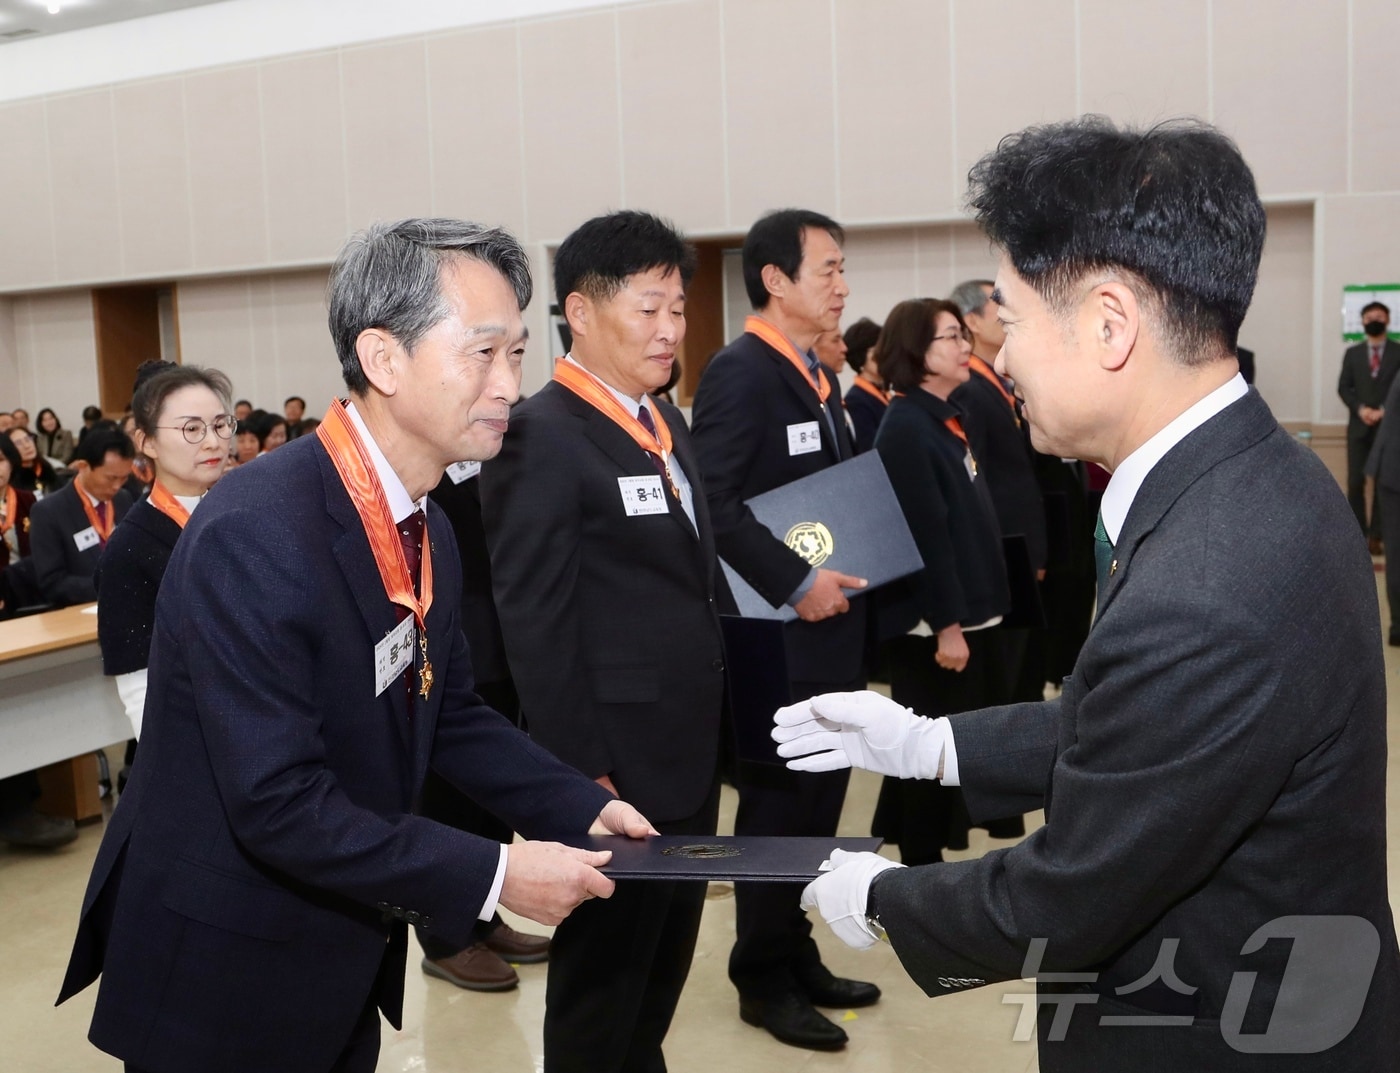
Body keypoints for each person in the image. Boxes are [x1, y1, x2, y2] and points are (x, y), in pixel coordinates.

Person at [776, 117, 1400, 1070]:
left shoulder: (1211, 577)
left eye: (1013, 319)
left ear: (1111, 323)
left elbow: (1067, 894)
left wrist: (880, 897)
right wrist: (930, 743)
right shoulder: (1251, 477)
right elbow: (1147, 731)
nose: (1003, 357)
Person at [57, 218, 656, 1073]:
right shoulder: (257, 529)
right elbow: (277, 800)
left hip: (341, 942)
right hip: (226, 968)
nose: (509, 384)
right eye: (483, 353)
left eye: (518, 354)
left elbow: (446, 710)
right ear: (383, 359)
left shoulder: (429, 524)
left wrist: (574, 804)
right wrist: (496, 874)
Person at [482, 210, 728, 1073]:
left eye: (679, 308)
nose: (671, 329)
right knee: (603, 984)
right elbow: (533, 618)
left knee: (657, 972)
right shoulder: (540, 435)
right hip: (612, 767)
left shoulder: (663, 422)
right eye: (648, 308)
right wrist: (577, 772)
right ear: (581, 312)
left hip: (684, 748)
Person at [690, 208, 877, 1052]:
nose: (842, 285)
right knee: (777, 809)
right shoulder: (741, 373)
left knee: (818, 807)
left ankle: (794, 951)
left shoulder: (813, 375)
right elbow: (714, 503)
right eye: (827, 268)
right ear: (774, 278)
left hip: (826, 630)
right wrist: (797, 581)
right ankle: (760, 977)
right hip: (778, 632)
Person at [868, 298, 1012, 866]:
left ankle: (926, 860)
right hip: (933, 629)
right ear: (916, 353)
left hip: (962, 614)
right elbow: (924, 537)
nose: (964, 346)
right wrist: (948, 625)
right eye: (950, 337)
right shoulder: (906, 427)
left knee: (942, 752)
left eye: (961, 334)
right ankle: (920, 871)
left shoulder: (940, 417)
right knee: (925, 756)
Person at [415, 455, 551, 993]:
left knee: (491, 793)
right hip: (447, 639)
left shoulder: (499, 455)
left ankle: (484, 916)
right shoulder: (427, 462)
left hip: (505, 638)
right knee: (445, 798)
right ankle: (444, 938)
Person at [95, 361, 234, 798]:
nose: (212, 442)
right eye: (192, 429)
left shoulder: (239, 512)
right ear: (146, 441)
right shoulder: (129, 549)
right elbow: (139, 688)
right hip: (198, 752)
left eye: (220, 425)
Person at [28, 428, 134, 607]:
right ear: (83, 467)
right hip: (80, 610)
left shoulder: (123, 499)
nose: (117, 486)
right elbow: (52, 583)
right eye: (111, 478)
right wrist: (111, 587)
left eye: (124, 478)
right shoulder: (48, 511)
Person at [1338, 300, 1398, 550]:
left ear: (1388, 320)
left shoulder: (1398, 352)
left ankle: (1377, 536)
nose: (1375, 320)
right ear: (1362, 321)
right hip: (1358, 426)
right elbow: (1344, 387)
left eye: (1379, 316)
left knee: (1384, 482)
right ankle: (1358, 535)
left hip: (1390, 430)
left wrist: (1384, 410)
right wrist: (1361, 410)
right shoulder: (1352, 353)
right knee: (1355, 482)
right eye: (1370, 317)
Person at [841, 317, 886, 453]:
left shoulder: (884, 393)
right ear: (861, 356)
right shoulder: (856, 401)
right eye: (878, 350)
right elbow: (868, 450)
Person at [8, 426, 61, 497]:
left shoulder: (46, 467)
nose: (27, 446)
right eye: (18, 443)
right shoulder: (11, 479)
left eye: (28, 439)